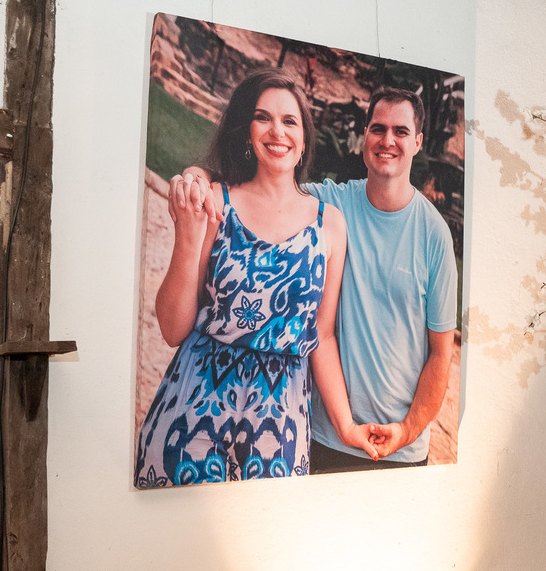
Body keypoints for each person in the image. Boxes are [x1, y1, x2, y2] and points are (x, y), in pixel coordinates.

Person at [183, 86, 458, 471]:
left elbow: (441, 353)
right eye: (378, 129)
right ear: (366, 137)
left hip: (401, 447)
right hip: (323, 433)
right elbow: (262, 182)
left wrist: (408, 430)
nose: (387, 140)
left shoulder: (434, 235)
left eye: (400, 131)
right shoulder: (328, 206)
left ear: (417, 141)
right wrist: (198, 175)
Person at [135, 69, 377, 487]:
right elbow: (173, 330)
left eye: (290, 121)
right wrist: (188, 237)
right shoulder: (214, 202)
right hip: (191, 413)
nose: (277, 130)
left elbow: (323, 335)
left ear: (303, 139)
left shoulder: (329, 225)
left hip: (278, 428)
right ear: (247, 132)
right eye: (263, 117)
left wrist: (347, 425)